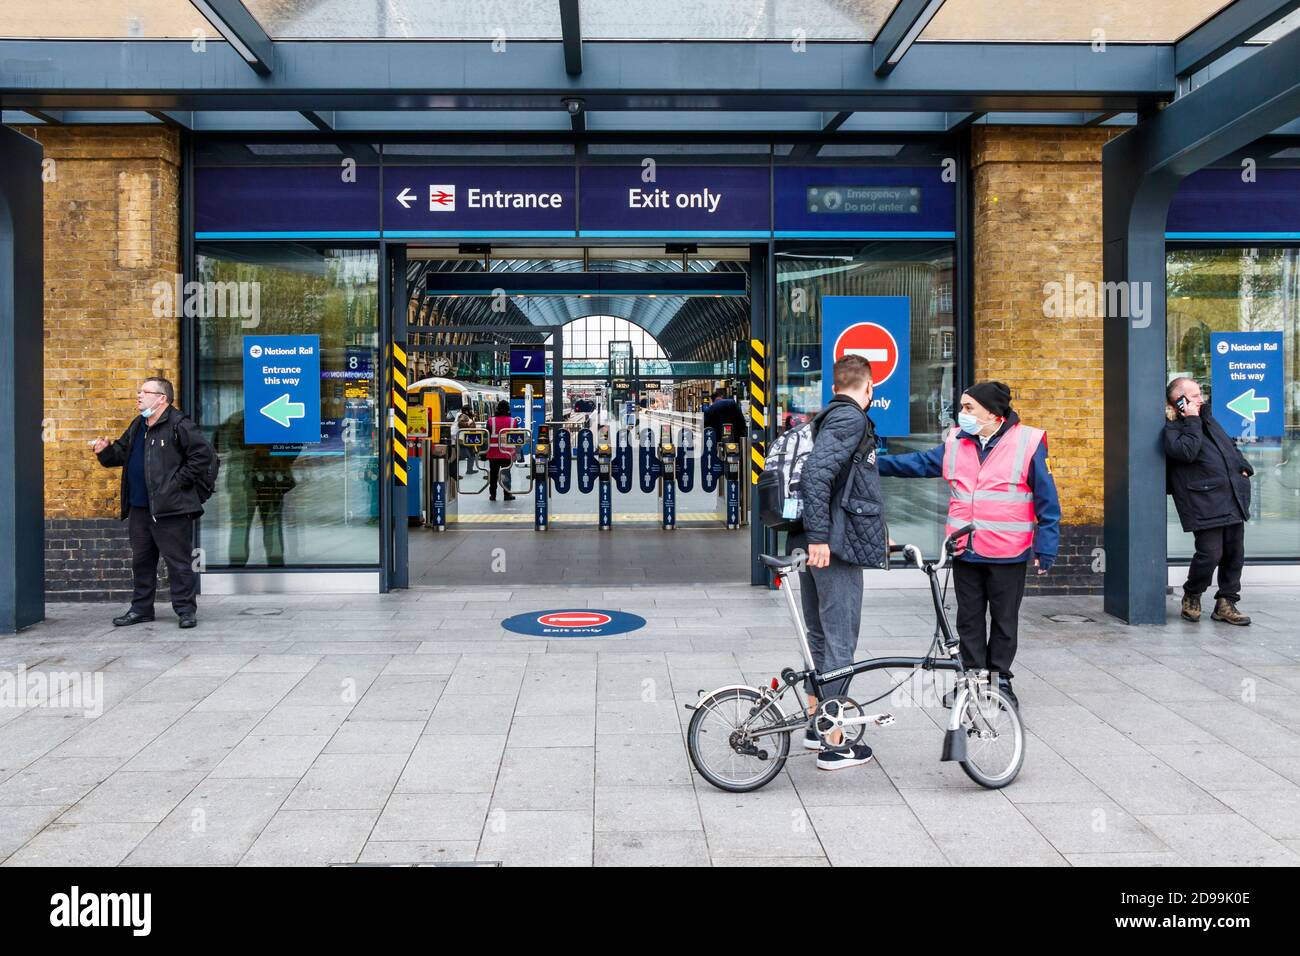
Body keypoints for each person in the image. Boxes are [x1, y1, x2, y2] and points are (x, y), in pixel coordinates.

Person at [877, 381, 1060, 709]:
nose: (962, 414)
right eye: (962, 407)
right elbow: (917, 464)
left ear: (992, 413)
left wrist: (1046, 546)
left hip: (1008, 551)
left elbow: (1048, 499)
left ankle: (1000, 680)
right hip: (965, 550)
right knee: (969, 619)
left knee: (1004, 620)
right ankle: (974, 680)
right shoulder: (956, 443)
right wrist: (873, 463)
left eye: (968, 408)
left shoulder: (1027, 442)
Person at [789, 354, 888, 771]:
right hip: (832, 547)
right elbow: (815, 476)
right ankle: (834, 741)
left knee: (822, 636)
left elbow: (844, 486)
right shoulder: (850, 420)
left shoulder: (826, 417)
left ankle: (818, 726)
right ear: (870, 388)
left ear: (833, 386)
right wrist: (820, 539)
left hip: (823, 542)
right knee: (840, 639)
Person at [91, 377, 216, 629]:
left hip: (171, 509)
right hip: (140, 508)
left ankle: (185, 610)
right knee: (142, 561)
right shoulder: (139, 425)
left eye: (145, 392)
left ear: (162, 398)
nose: (139, 396)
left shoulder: (178, 424)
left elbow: (203, 455)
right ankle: (141, 609)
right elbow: (121, 454)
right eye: (139, 391)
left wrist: (176, 483)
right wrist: (105, 451)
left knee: (178, 562)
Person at [1164, 377, 1253, 625]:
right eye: (1193, 396)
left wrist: (1244, 468)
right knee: (1210, 554)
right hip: (1203, 500)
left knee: (1235, 553)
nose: (1200, 399)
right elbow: (1186, 452)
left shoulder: (1209, 421)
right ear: (1178, 401)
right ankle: (1192, 593)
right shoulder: (1173, 428)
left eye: (1199, 394)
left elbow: (1231, 448)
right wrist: (1190, 419)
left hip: (1231, 495)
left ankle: (1226, 602)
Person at [485, 399, 517, 502]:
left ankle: (493, 495)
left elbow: (486, 437)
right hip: (507, 453)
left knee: (493, 474)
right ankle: (507, 494)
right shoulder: (513, 421)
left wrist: (483, 453)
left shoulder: (490, 420)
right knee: (506, 474)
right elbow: (517, 437)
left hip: (493, 453)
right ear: (508, 409)